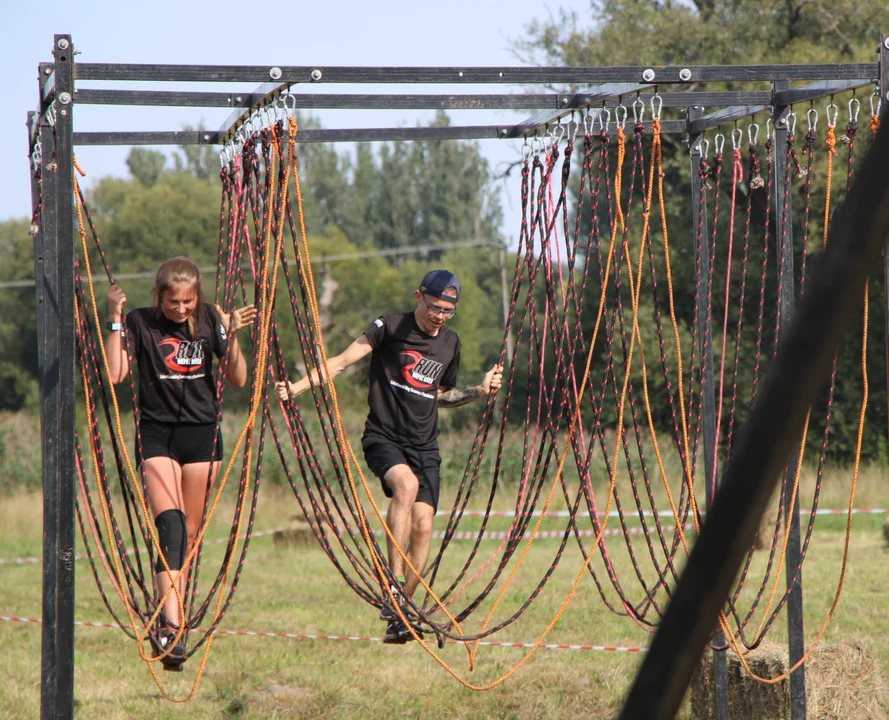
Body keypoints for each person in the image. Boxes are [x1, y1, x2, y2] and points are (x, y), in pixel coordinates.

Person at [275, 269, 503, 644]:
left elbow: (440, 396)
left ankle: (401, 614)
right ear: (419, 297)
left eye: (449, 311)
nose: (440, 316)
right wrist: (298, 386)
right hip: (383, 437)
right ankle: (394, 585)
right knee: (405, 486)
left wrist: (479, 391)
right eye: (435, 307)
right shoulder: (390, 326)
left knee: (424, 527)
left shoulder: (450, 343)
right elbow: (342, 361)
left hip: (425, 445)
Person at [105, 256, 257, 670]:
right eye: (175, 302)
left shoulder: (210, 319)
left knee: (185, 536)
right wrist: (115, 317)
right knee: (169, 526)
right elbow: (116, 374)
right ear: (160, 296)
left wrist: (232, 334)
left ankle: (166, 617)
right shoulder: (141, 322)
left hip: (202, 434)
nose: (182, 309)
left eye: (189, 302)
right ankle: (172, 628)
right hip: (156, 435)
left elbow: (240, 378)